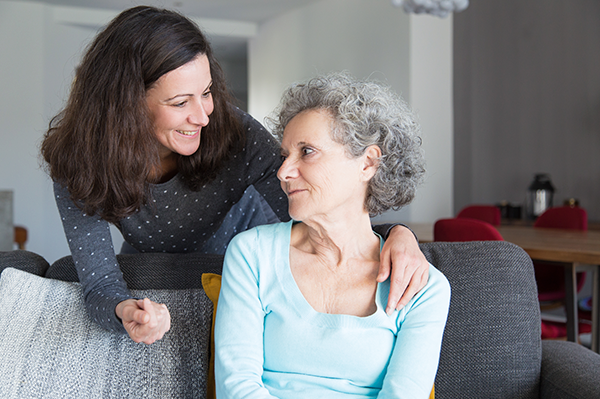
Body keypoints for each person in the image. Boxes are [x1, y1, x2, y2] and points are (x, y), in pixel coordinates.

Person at [41, 6, 429, 345]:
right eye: (180, 102)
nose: (203, 115)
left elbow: (326, 213)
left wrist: (396, 234)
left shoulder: (235, 133)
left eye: (206, 92)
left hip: (241, 269)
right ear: (124, 105)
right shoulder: (79, 163)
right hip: (153, 271)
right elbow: (100, 287)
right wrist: (126, 311)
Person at [215, 72, 451, 398]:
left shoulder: (424, 289)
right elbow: (237, 388)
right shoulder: (251, 254)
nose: (283, 172)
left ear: (367, 163)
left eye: (307, 151)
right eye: (285, 155)